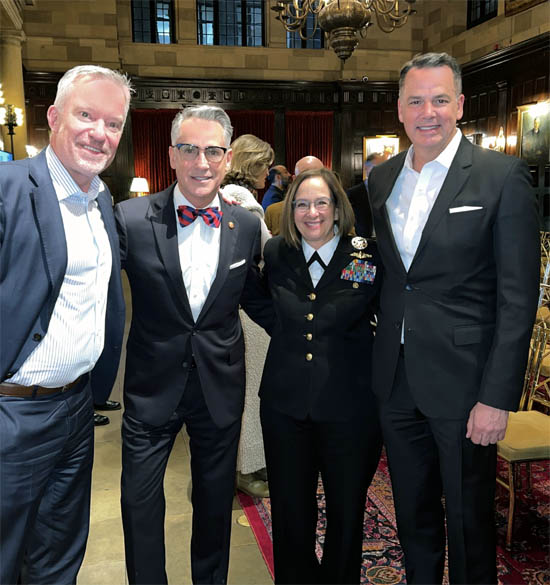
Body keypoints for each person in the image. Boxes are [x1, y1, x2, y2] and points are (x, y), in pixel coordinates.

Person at [368, 52, 540, 584]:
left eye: (440, 99)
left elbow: (518, 300)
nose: (429, 112)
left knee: (468, 522)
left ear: (460, 104)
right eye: (416, 100)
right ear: (399, 109)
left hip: (467, 387)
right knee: (413, 514)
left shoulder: (501, 176)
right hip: (395, 381)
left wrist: (496, 397)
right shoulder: (382, 178)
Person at [116, 105, 271, 585]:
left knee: (212, 503)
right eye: (189, 150)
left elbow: (257, 300)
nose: (201, 163)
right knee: (139, 502)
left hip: (218, 388)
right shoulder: (131, 218)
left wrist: (320, 333)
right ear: (171, 156)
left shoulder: (245, 226)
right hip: (150, 388)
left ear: (226, 159)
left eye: (212, 151)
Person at [0, 65, 130, 585]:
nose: (100, 133)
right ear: (53, 117)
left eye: (114, 123)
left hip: (76, 411)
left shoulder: (101, 201)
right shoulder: (10, 189)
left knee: (59, 555)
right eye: (86, 115)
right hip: (13, 413)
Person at [260, 168, 383, 584]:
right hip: (285, 405)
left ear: (337, 208)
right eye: (301, 204)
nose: (311, 212)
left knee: (347, 509)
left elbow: (387, 312)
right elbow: (256, 297)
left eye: (321, 203)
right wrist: (286, 332)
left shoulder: (366, 255)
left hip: (350, 405)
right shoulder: (277, 253)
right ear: (290, 208)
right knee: (291, 510)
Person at [220, 133, 274, 498]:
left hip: (228, 306)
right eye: (265, 166)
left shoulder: (221, 194)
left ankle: (242, 461)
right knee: (254, 389)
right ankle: (249, 467)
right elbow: (267, 254)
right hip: (250, 308)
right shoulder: (246, 205)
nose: (268, 174)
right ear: (253, 165)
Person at [265, 156, 324, 236]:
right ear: (294, 179)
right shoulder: (273, 212)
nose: (311, 181)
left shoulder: (334, 211)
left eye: (317, 175)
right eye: (305, 176)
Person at [346, 152, 387, 237]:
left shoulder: (390, 191)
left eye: (384, 167)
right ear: (366, 167)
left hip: (386, 243)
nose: (382, 171)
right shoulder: (352, 194)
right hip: (361, 243)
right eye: (377, 167)